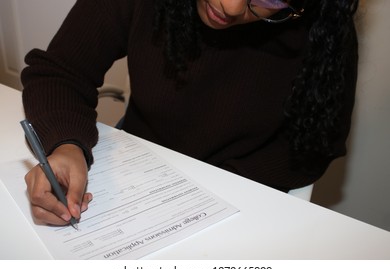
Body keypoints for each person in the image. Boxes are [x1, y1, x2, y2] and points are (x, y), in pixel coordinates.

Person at [21, 0, 359, 226]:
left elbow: (317, 143)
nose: (230, 6)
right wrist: (67, 144)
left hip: (248, 189)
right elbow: (62, 71)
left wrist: (220, 186)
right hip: (140, 168)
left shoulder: (323, 26)